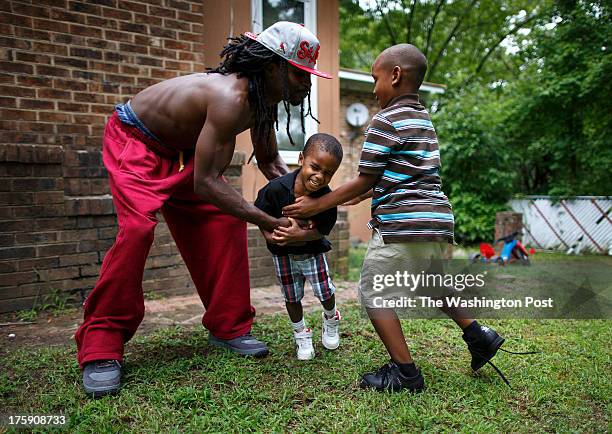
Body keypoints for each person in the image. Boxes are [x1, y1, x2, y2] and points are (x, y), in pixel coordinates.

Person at [75, 21, 332, 397]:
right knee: (138, 231)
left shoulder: (263, 101)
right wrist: (268, 220)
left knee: (225, 220)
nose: (306, 85)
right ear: (273, 66)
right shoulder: (231, 97)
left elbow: (272, 164)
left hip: (185, 154)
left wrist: (307, 204)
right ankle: (101, 345)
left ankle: (229, 326)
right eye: (300, 74)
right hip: (137, 142)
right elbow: (207, 183)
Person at [282, 44, 507, 392]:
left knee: (374, 291)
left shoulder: (384, 120)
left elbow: (366, 179)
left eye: (376, 79)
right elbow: (398, 178)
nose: (374, 88)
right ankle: (479, 335)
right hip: (434, 218)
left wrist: (316, 206)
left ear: (396, 75)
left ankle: (405, 373)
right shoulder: (424, 121)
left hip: (402, 222)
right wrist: (354, 197)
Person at [254, 133, 343, 360]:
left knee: (325, 291)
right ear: (302, 159)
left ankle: (331, 318)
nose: (320, 176)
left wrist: (299, 235)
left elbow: (323, 230)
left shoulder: (326, 199)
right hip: (282, 254)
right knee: (292, 296)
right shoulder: (275, 189)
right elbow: (259, 215)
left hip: (312, 252)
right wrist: (270, 238)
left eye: (328, 173)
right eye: (315, 166)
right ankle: (301, 334)